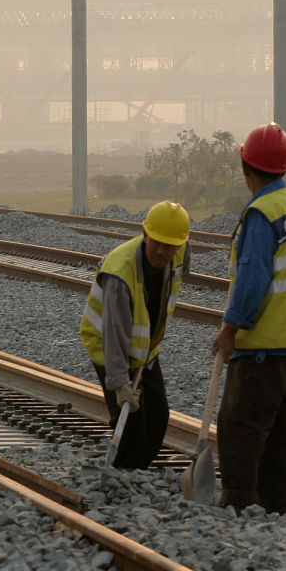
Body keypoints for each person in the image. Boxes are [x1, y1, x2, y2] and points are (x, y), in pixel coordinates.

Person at [212, 122, 286, 517]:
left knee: (240, 423)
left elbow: (254, 276)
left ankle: (238, 503)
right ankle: (280, 506)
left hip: (263, 342)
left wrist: (230, 328)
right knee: (279, 431)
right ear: (284, 167)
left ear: (245, 168)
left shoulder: (261, 212)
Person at [80, 200, 191, 470]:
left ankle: (138, 471)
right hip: (107, 345)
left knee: (158, 417)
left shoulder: (180, 250)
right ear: (145, 235)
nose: (163, 251)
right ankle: (123, 473)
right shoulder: (119, 274)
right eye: (157, 243)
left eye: (170, 246)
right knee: (130, 420)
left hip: (146, 349)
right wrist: (120, 385)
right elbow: (114, 335)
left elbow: (175, 275)